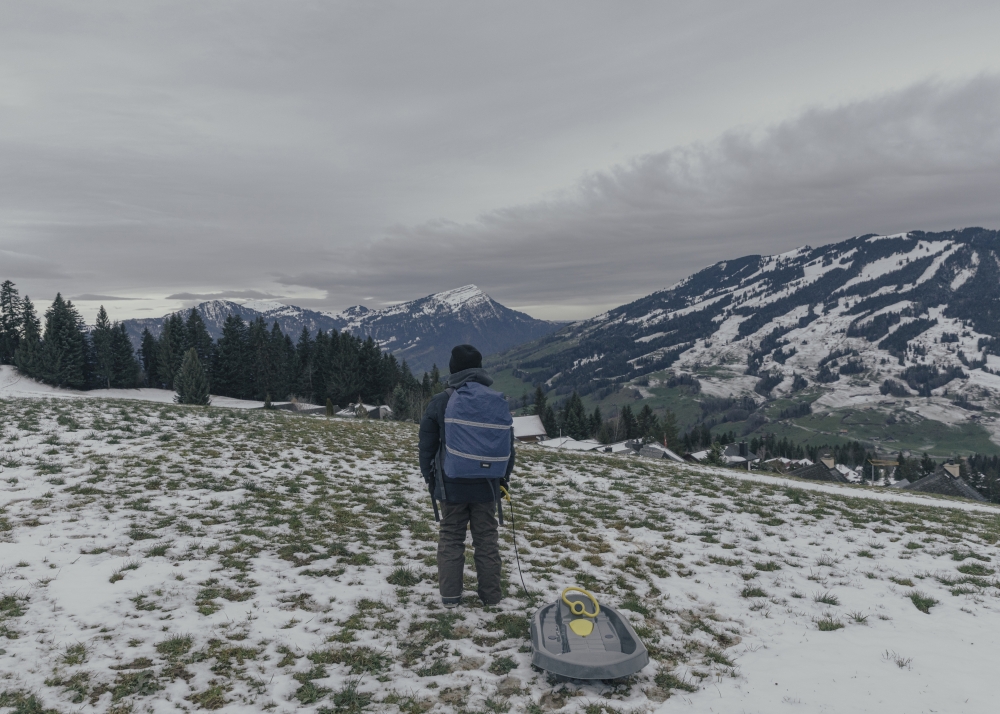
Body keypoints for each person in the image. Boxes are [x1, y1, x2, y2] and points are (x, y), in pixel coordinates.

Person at [419, 344, 515, 608]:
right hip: (487, 485)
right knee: (486, 540)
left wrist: (431, 479)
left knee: (451, 537)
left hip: (451, 485)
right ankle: (491, 597)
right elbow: (508, 446)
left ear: (453, 370)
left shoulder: (441, 401)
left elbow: (426, 446)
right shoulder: (496, 399)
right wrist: (501, 479)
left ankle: (450, 598)